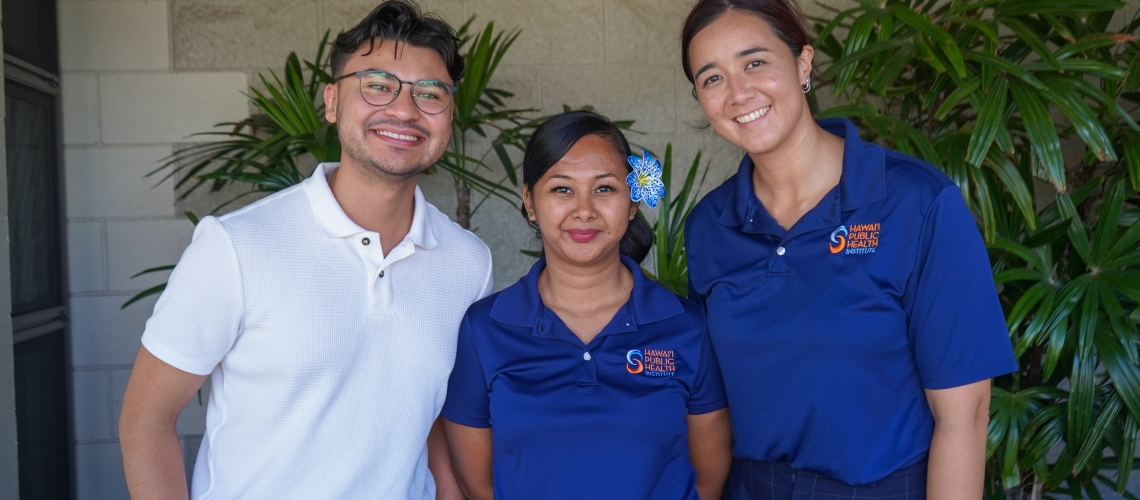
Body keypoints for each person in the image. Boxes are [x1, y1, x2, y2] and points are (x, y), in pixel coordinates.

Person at [117, 2, 491, 498]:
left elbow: (437, 422)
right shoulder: (235, 246)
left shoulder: (468, 263)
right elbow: (146, 420)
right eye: (379, 85)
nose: (404, 109)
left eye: (430, 93)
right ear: (333, 102)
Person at [679, 1, 1018, 498]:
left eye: (755, 62)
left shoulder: (917, 203)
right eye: (712, 78)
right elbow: (711, 402)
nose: (738, 93)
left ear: (802, 63)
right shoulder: (710, 225)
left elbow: (964, 418)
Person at [441, 111, 733, 500]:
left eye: (605, 189)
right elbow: (479, 486)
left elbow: (708, 480)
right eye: (562, 189)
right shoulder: (485, 329)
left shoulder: (687, 326)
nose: (584, 210)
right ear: (529, 200)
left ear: (632, 202)